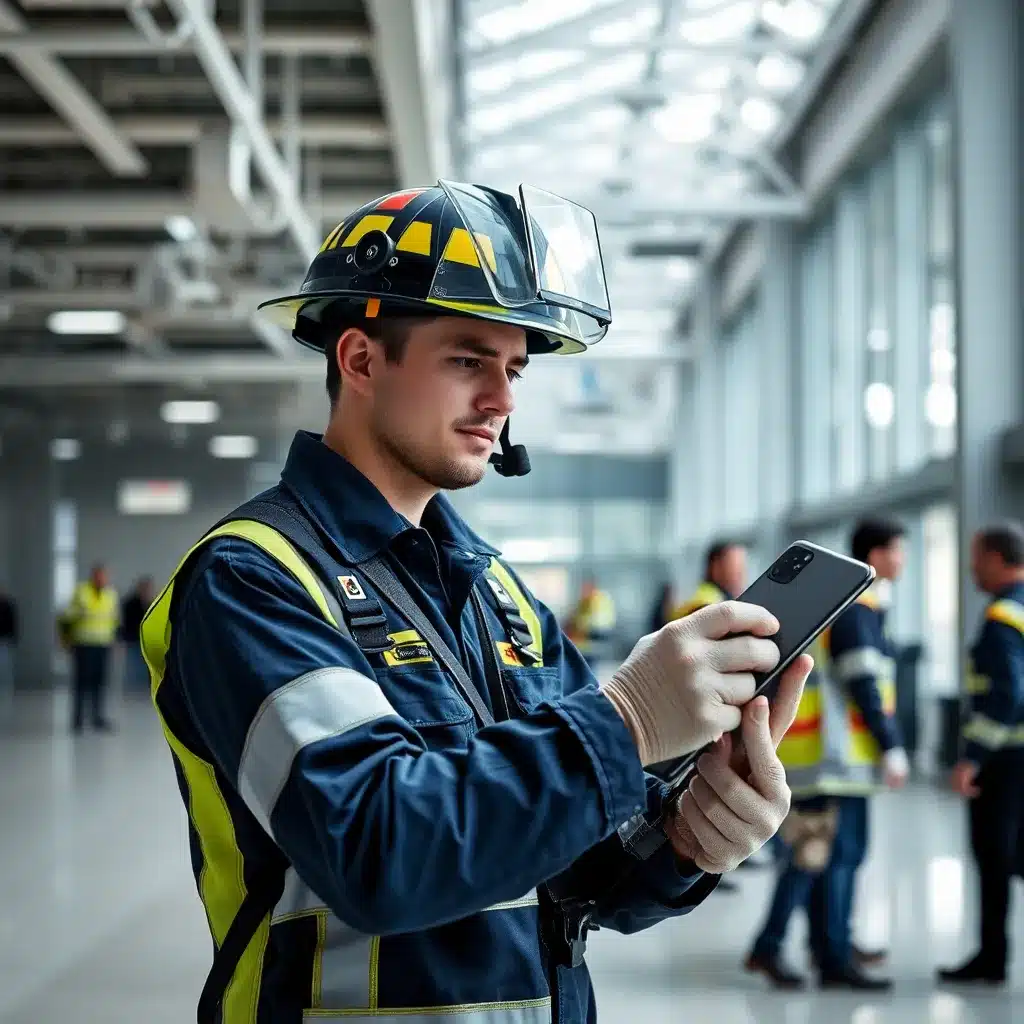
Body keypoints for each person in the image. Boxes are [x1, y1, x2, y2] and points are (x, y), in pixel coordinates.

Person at [141, 182, 813, 1022]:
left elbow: (582, 875)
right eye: (467, 360)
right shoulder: (252, 577)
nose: (503, 400)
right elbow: (378, 852)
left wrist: (687, 838)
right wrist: (628, 720)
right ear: (359, 360)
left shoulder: (496, 593)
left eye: (514, 368)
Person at [746, 517, 910, 989]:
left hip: (822, 762)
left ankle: (819, 948)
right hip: (839, 764)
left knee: (814, 856)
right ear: (876, 556)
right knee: (831, 857)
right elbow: (863, 684)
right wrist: (891, 746)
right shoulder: (859, 611)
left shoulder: (849, 608)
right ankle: (818, 955)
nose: (901, 560)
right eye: (897, 550)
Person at [938, 521, 1024, 985]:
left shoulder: (1003, 616)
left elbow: (1007, 695)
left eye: (976, 556)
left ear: (995, 557)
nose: (972, 567)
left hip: (1005, 763)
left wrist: (972, 758)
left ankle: (993, 960)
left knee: (995, 860)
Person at [60, 563, 118, 733]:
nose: (102, 579)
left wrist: (115, 641)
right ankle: (77, 719)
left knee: (99, 682)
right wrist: (66, 639)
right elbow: (66, 618)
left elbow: (114, 621)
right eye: (99, 575)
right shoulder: (81, 592)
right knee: (81, 683)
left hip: (103, 644)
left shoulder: (110, 594)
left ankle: (97, 717)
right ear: (93, 576)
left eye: (105, 576)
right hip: (83, 644)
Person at [674, 539, 748, 618]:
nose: (741, 574)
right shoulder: (707, 602)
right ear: (715, 568)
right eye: (734, 566)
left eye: (742, 566)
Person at [564, 577, 617, 668]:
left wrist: (578, 623)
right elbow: (576, 616)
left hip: (597, 633)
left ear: (592, 588)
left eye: (586, 588)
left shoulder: (598, 599)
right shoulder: (584, 600)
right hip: (588, 635)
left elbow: (594, 620)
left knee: (591, 658)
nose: (584, 591)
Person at [119, 576, 154, 694]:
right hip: (133, 639)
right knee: (133, 665)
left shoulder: (152, 602)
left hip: (147, 641)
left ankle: (144, 689)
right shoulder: (130, 603)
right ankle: (133, 689)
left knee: (146, 666)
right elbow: (125, 622)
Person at [0, 587, 16, 720]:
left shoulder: (8, 605)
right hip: (5, 638)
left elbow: (13, 623)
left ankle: (6, 690)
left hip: (5, 639)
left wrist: (13, 638)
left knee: (5, 666)